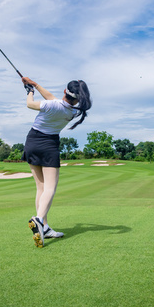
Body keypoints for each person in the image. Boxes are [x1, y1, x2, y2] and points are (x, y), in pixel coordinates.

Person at [21, 77, 91, 248]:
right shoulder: (73, 112)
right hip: (49, 145)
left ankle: (43, 226)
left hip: (32, 142)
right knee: (50, 188)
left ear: (65, 91)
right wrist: (35, 85)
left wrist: (30, 92)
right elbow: (51, 97)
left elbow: (31, 104)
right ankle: (38, 220)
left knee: (42, 187)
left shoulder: (51, 105)